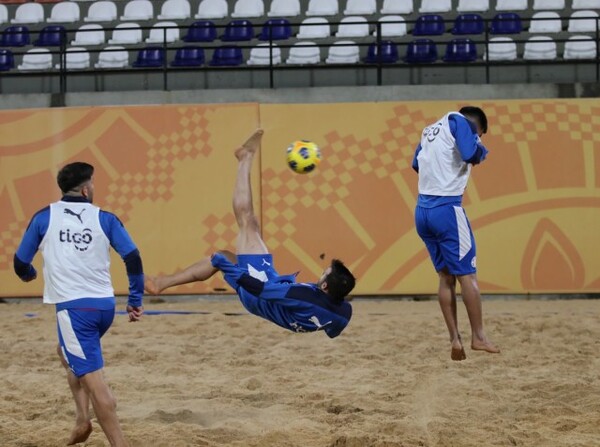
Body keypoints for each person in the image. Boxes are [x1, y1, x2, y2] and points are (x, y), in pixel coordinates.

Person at [145, 129, 356, 338]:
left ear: (325, 285)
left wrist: (224, 265)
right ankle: (160, 284)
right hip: (267, 291)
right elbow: (332, 332)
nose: (321, 273)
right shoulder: (343, 313)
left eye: (324, 273)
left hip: (258, 292)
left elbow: (259, 289)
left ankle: (244, 158)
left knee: (248, 222)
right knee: (225, 254)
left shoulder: (302, 296)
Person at [13, 162, 144, 446]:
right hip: (104, 307)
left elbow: (20, 262)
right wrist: (134, 299)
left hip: (74, 311)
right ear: (86, 189)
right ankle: (82, 419)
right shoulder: (105, 218)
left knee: (96, 384)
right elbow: (133, 257)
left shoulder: (44, 217)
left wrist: (29, 275)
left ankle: (116, 441)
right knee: (66, 353)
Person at [412, 106, 500, 361]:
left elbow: (415, 163)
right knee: (468, 276)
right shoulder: (461, 122)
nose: (479, 138)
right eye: (480, 133)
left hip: (422, 211)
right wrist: (480, 148)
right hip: (447, 210)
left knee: (445, 277)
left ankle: (455, 338)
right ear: (477, 126)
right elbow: (472, 153)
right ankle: (479, 337)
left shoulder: (429, 130)